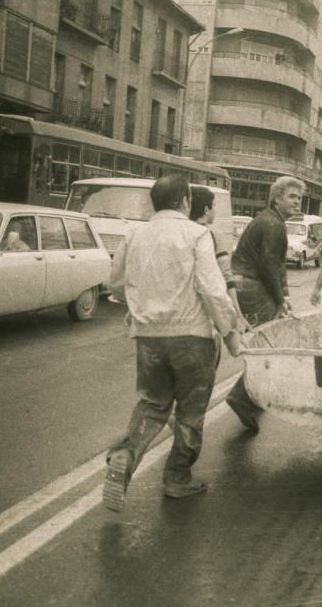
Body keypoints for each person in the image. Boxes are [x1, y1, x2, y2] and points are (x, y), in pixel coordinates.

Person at [103, 174, 245, 512]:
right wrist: (230, 332)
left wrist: (141, 305)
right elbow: (212, 290)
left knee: (152, 404)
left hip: (148, 338)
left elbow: (117, 284)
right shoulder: (197, 234)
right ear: (184, 201)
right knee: (191, 411)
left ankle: (126, 453)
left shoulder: (135, 234)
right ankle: (177, 478)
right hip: (192, 339)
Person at [225, 176, 304, 433]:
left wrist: (285, 296)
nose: (297, 201)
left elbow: (277, 266)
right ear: (277, 198)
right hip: (252, 286)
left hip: (248, 285)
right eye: (292, 196)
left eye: (299, 197)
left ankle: (251, 395)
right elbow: (269, 265)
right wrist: (280, 300)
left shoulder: (271, 221)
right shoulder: (273, 224)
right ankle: (243, 396)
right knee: (270, 345)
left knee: (268, 343)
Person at [188, 186, 249, 336]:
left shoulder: (177, 232)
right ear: (206, 210)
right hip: (202, 322)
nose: (215, 210)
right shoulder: (213, 236)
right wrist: (238, 317)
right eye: (214, 206)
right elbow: (226, 279)